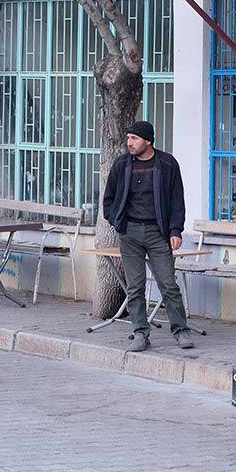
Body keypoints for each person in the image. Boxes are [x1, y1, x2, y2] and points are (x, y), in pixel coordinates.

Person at [101, 121, 193, 352]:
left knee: (168, 284)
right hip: (130, 232)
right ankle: (140, 333)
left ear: (148, 141)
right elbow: (109, 199)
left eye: (134, 138)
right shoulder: (122, 164)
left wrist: (175, 230)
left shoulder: (167, 164)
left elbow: (177, 200)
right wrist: (117, 221)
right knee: (135, 287)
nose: (129, 143)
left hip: (158, 233)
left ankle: (181, 331)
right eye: (128, 138)